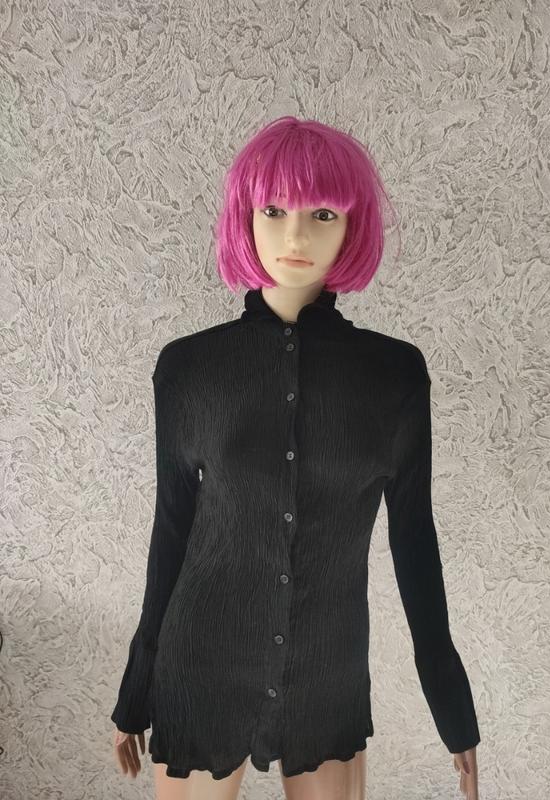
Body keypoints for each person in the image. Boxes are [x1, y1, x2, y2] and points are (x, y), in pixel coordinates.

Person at [110, 116, 481, 800]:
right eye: (274, 211)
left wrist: (453, 709)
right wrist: (136, 691)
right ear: (245, 218)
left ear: (352, 225)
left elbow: (414, 543)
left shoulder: (394, 375)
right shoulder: (189, 368)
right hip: (202, 662)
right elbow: (172, 531)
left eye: (323, 214)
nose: (296, 238)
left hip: (327, 671)